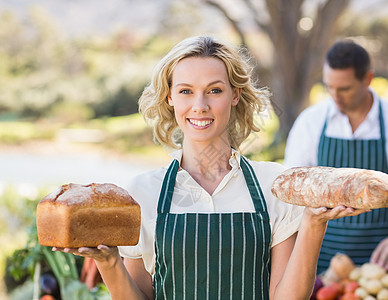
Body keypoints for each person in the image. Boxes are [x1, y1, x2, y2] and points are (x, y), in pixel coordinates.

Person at [53, 36, 367, 299]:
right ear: (170, 98)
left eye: (214, 90)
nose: (200, 105)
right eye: (186, 90)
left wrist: (314, 223)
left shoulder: (273, 184)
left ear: (235, 95)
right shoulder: (141, 193)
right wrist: (109, 263)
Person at [284, 39, 388, 274]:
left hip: (380, 265)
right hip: (319, 261)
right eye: (329, 87)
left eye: (344, 89)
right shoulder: (310, 121)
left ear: (368, 79)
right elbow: (292, 191)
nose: (335, 96)